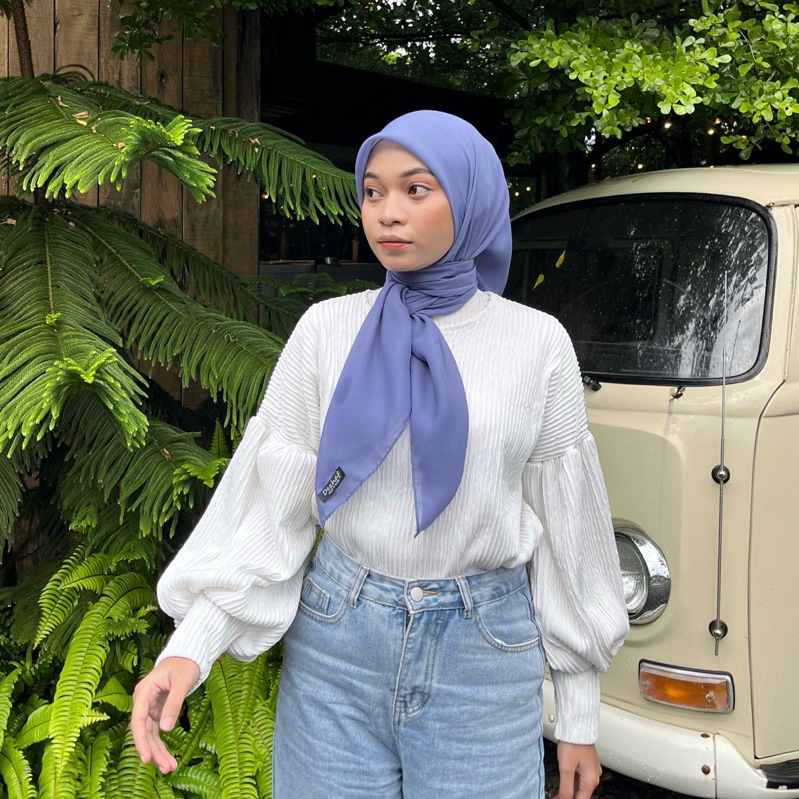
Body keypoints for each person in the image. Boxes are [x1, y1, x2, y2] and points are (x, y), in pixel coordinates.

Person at [130, 110, 629, 799]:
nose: (387, 212)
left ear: (471, 197)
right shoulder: (326, 330)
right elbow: (273, 506)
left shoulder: (535, 343)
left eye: (416, 189)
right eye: (372, 191)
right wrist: (190, 647)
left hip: (482, 656)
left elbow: (567, 529)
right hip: (337, 647)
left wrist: (577, 712)